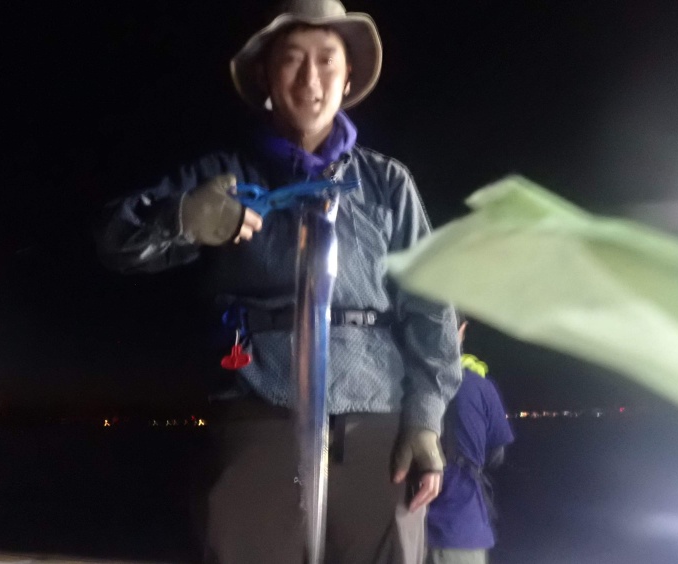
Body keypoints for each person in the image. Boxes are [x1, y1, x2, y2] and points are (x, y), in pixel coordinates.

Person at [96, 0, 462, 562]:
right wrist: (183, 218)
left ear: (348, 78)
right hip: (257, 412)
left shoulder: (388, 183)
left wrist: (425, 422)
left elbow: (431, 305)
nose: (310, 79)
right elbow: (114, 243)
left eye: (327, 61)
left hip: (378, 421)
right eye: (292, 60)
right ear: (266, 77)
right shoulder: (223, 178)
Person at [425, 320, 515, 564]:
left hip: (407, 521)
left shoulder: (403, 380)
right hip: (462, 524)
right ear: (462, 330)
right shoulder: (481, 386)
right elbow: (497, 455)